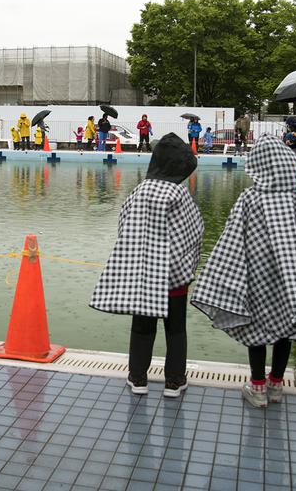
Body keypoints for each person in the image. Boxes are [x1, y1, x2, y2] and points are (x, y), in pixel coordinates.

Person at [191, 134, 296, 408]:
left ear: (257, 166)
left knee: (257, 330)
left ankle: (257, 387)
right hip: (292, 279)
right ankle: (276, 384)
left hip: (258, 277)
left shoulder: (250, 198)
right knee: (284, 329)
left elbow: (232, 240)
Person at [90, 133, 203, 398]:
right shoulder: (179, 193)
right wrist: (187, 265)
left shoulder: (140, 191)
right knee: (176, 329)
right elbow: (194, 231)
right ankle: (174, 381)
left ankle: (138, 378)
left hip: (142, 275)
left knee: (142, 327)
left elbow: (124, 225)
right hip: (175, 278)